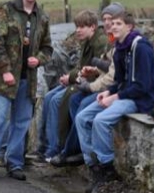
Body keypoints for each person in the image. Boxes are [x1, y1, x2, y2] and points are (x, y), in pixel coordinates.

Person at [0, 0, 53, 180]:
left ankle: (14, 163)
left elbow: (47, 48)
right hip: (4, 78)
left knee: (21, 122)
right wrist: (6, 70)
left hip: (27, 79)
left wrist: (38, 59)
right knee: (0, 120)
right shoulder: (6, 10)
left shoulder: (42, 17)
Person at [75, 9, 154, 193]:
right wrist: (107, 92)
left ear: (129, 27)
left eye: (118, 24)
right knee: (82, 118)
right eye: (112, 24)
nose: (113, 27)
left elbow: (142, 86)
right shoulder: (120, 49)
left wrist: (115, 97)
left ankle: (107, 168)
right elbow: (119, 81)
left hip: (139, 100)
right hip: (123, 94)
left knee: (101, 121)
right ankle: (94, 167)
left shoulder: (141, 48)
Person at [50, 3, 125, 167]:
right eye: (104, 19)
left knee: (78, 103)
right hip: (108, 87)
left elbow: (119, 75)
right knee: (70, 99)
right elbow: (110, 70)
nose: (106, 23)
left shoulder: (125, 42)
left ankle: (74, 153)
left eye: (111, 20)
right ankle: (65, 149)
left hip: (121, 92)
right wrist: (95, 70)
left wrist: (91, 83)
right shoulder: (113, 40)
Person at [35, 9, 108, 162]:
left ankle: (56, 149)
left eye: (82, 27)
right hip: (78, 79)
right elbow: (80, 65)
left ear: (93, 27)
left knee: (56, 101)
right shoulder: (88, 41)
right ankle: (45, 146)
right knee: (48, 97)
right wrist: (68, 76)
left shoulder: (100, 42)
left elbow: (96, 72)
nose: (78, 30)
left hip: (89, 83)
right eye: (77, 26)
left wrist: (71, 77)